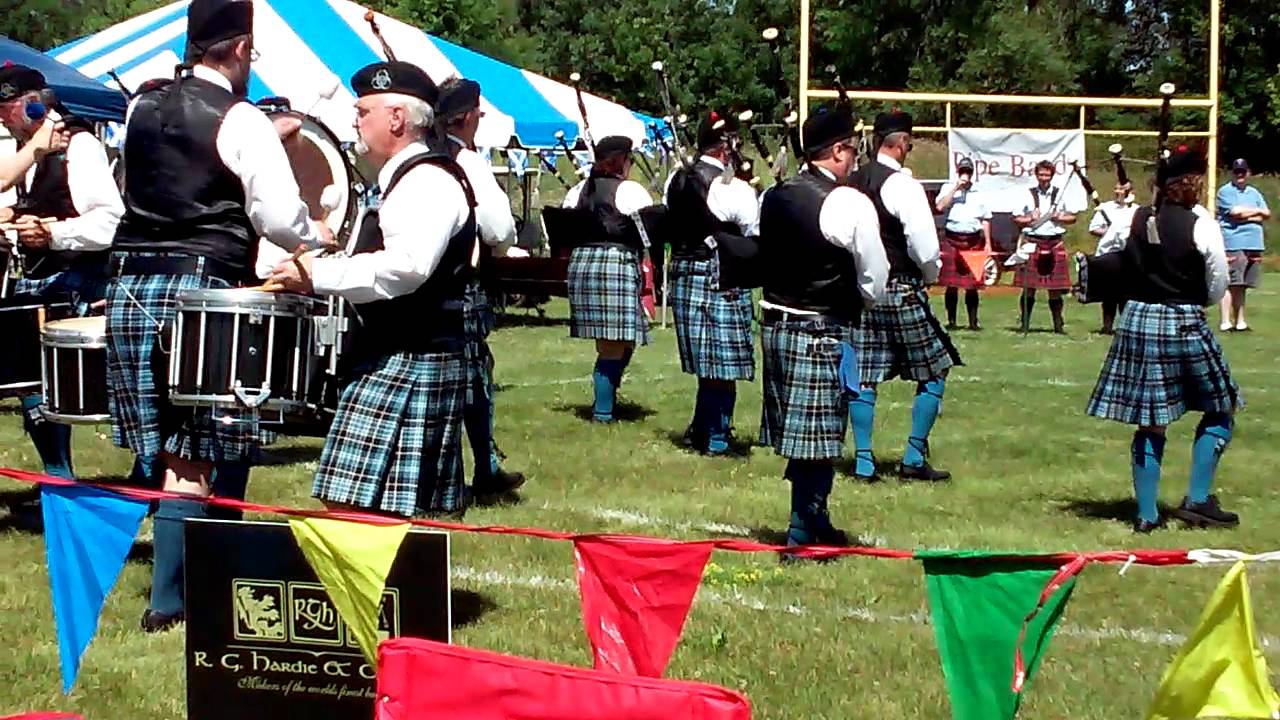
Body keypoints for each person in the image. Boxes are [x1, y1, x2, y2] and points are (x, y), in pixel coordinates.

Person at [108, 0, 328, 632]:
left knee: (172, 450)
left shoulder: (139, 106)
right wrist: (317, 236)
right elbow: (280, 220)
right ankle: (172, 602)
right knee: (196, 453)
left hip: (131, 285)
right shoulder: (242, 119)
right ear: (237, 50)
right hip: (203, 290)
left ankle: (210, 563)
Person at [271, 60, 474, 521]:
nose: (354, 120)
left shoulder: (427, 181)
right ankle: (387, 590)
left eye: (363, 111)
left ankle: (384, 591)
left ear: (397, 119)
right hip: (398, 350)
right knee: (372, 504)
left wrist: (316, 277)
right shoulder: (402, 180)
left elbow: (406, 269)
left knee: (357, 502)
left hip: (413, 352)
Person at [1087, 146, 1239, 532]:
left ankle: (1146, 516)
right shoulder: (1202, 224)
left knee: (1150, 421)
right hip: (1184, 318)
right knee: (1222, 405)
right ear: (1193, 183)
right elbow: (1217, 282)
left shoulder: (1132, 219)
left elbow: (1106, 256)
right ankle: (1199, 500)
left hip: (1138, 318)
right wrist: (1196, 299)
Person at [758, 106, 886, 553]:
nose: (854, 159)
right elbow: (875, 275)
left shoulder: (773, 195)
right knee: (819, 434)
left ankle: (817, 518)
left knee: (808, 434)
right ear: (836, 150)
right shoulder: (847, 201)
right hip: (820, 327)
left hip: (774, 323)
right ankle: (801, 533)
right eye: (852, 148)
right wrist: (856, 303)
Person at [0, 64, 123, 481]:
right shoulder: (29, 152)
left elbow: (109, 221)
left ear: (36, 105)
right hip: (38, 283)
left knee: (91, 392)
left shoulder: (79, 146)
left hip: (76, 281)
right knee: (29, 389)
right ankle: (58, 478)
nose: (1, 118)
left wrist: (51, 234)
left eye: (7, 108)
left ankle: (145, 480)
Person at [849, 111, 960, 483]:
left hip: (861, 288)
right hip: (900, 286)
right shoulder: (903, 185)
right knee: (935, 367)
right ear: (900, 143)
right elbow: (924, 247)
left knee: (864, 375)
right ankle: (913, 456)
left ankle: (864, 461)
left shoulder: (850, 182)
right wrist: (929, 276)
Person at [435, 76, 525, 496]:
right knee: (473, 379)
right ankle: (483, 469)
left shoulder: (419, 155)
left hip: (419, 285)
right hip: (461, 282)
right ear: (468, 116)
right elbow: (499, 229)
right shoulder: (468, 163)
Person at [664, 111, 759, 455]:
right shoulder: (729, 187)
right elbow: (753, 232)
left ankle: (699, 428)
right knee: (723, 364)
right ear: (726, 147)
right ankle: (717, 437)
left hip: (685, 271)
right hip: (720, 274)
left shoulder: (674, 180)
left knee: (710, 362)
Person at [562, 136, 655, 423]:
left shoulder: (578, 189)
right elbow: (648, 232)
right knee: (612, 345)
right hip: (614, 263)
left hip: (582, 264)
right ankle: (603, 413)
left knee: (617, 342)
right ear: (622, 161)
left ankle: (608, 397)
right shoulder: (630, 190)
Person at [1011, 160, 1077, 333]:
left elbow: (1073, 218)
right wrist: (1030, 219)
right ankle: (1024, 323)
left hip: (1054, 241)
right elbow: (1017, 218)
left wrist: (1059, 217)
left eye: (1047, 175)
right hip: (1033, 242)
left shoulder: (1060, 194)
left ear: (1052, 176)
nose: (1044, 178)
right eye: (1041, 174)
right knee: (1029, 287)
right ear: (1036, 175)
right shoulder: (1027, 194)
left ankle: (1058, 324)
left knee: (1055, 289)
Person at [934, 156, 992, 330]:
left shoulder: (979, 193)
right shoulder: (948, 188)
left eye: (968, 171)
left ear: (972, 173)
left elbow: (986, 219)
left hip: (973, 241)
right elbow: (939, 207)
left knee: (972, 285)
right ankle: (952, 321)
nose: (965, 174)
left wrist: (988, 243)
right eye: (962, 171)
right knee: (951, 285)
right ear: (958, 172)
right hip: (952, 238)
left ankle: (973, 322)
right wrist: (956, 188)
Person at [1216, 158, 1269, 332]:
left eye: (1243, 172)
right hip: (1233, 241)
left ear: (1248, 173)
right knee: (1231, 282)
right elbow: (1234, 212)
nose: (1240, 175)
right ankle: (1225, 321)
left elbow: (1266, 213)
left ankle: (1240, 321)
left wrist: (1246, 214)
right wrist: (1254, 213)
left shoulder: (1254, 193)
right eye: (1237, 172)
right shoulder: (1225, 191)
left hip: (1253, 243)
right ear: (1232, 173)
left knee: (1244, 284)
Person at [1088, 178, 1138, 334]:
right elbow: (1093, 228)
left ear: (1131, 192)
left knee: (1126, 293)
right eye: (1116, 189)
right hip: (1107, 254)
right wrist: (1108, 231)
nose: (1118, 192)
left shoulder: (1137, 210)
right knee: (1109, 293)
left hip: (1127, 254)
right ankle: (1107, 326)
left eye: (1122, 189)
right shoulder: (1105, 208)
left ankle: (1124, 326)